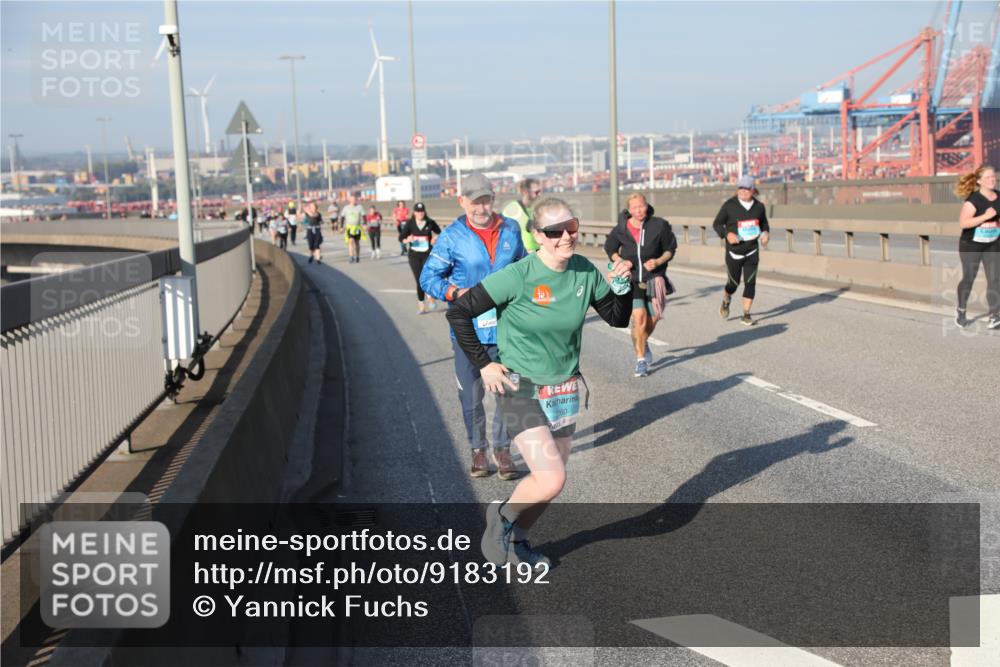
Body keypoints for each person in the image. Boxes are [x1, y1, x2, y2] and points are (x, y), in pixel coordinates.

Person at [447, 198, 631, 568]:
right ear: (538, 236)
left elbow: (616, 318)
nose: (566, 236)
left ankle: (518, 540)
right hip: (522, 386)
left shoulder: (583, 271)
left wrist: (624, 288)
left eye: (572, 226)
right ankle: (499, 518)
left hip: (564, 387)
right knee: (551, 477)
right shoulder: (519, 275)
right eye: (555, 231)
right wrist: (485, 366)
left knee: (549, 484)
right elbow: (459, 313)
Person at [420, 173, 526, 479]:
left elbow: (524, 265)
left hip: (508, 328)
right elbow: (429, 278)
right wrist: (455, 293)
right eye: (475, 201)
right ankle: (478, 449)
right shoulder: (452, 237)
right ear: (462, 201)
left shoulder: (511, 229)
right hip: (469, 331)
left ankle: (502, 449)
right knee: (471, 395)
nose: (481, 207)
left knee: (509, 392)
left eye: (486, 200)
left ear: (493, 198)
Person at [604, 192, 677, 378]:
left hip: (655, 278)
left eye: (642, 206)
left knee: (652, 319)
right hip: (633, 279)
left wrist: (658, 261)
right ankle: (640, 361)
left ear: (647, 205)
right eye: (635, 207)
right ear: (629, 210)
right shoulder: (621, 228)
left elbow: (670, 249)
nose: (639, 210)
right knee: (639, 318)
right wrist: (621, 261)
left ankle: (643, 342)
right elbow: (610, 248)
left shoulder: (659, 225)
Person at [712, 175, 770, 326]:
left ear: (753, 190)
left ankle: (746, 314)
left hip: (752, 251)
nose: (743, 191)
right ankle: (726, 298)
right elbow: (717, 224)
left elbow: (764, 225)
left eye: (746, 188)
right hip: (734, 253)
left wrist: (765, 234)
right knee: (733, 283)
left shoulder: (759, 207)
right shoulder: (729, 206)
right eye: (740, 188)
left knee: (750, 282)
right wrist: (727, 234)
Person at [955, 164, 999, 329]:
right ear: (979, 181)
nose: (992, 180)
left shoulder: (999, 196)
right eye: (987, 177)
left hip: (993, 244)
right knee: (969, 278)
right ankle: (961, 310)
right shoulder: (973, 200)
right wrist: (986, 216)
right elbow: (964, 223)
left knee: (995, 279)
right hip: (971, 245)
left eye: (993, 176)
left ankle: (994, 316)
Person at [399, 202, 442, 313]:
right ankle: (421, 305)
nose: (420, 213)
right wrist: (408, 240)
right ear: (414, 212)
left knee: (427, 277)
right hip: (414, 255)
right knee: (419, 281)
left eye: (422, 211)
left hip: (427, 254)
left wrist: (435, 238)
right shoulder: (410, 223)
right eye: (418, 211)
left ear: (424, 211)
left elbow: (440, 232)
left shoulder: (430, 222)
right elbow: (401, 238)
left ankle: (430, 298)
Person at [502, 178, 543, 254]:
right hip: (523, 256)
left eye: (540, 191)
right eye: (536, 192)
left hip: (539, 253)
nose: (540, 194)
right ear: (526, 192)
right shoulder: (511, 209)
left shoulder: (539, 208)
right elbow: (504, 236)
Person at [303, 199, 324, 264]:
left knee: (317, 244)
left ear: (316, 207)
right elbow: (299, 216)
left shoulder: (317, 213)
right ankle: (312, 255)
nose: (312, 208)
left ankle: (318, 259)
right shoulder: (307, 213)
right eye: (311, 207)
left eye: (313, 207)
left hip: (317, 230)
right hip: (310, 230)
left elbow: (313, 216)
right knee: (311, 245)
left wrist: (307, 210)